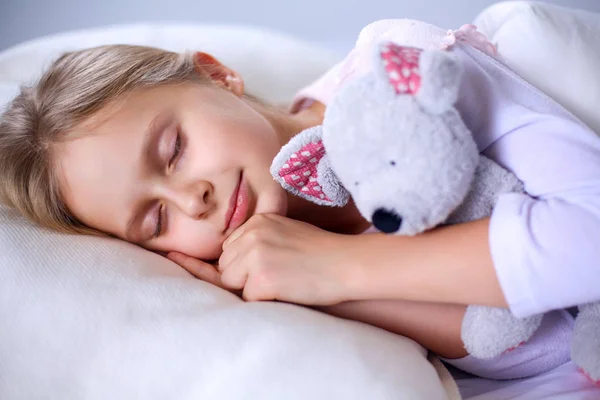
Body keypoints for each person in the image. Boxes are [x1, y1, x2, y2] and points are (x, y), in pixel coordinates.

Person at [1, 19, 598, 380]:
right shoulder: (270, 283)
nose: (193, 200)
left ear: (216, 75)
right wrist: (308, 286)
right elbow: (522, 349)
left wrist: (334, 267)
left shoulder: (399, 77)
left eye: (174, 148)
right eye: (154, 219)